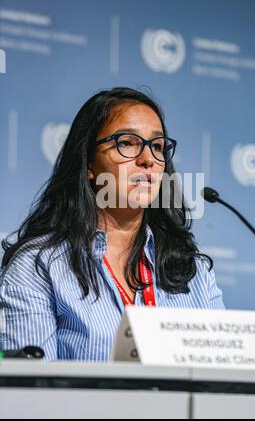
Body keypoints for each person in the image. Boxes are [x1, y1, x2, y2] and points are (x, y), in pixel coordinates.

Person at [0, 87, 224, 361]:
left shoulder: (194, 271)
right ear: (88, 165)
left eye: (157, 146)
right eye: (127, 143)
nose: (147, 159)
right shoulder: (39, 266)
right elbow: (31, 391)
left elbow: (222, 380)